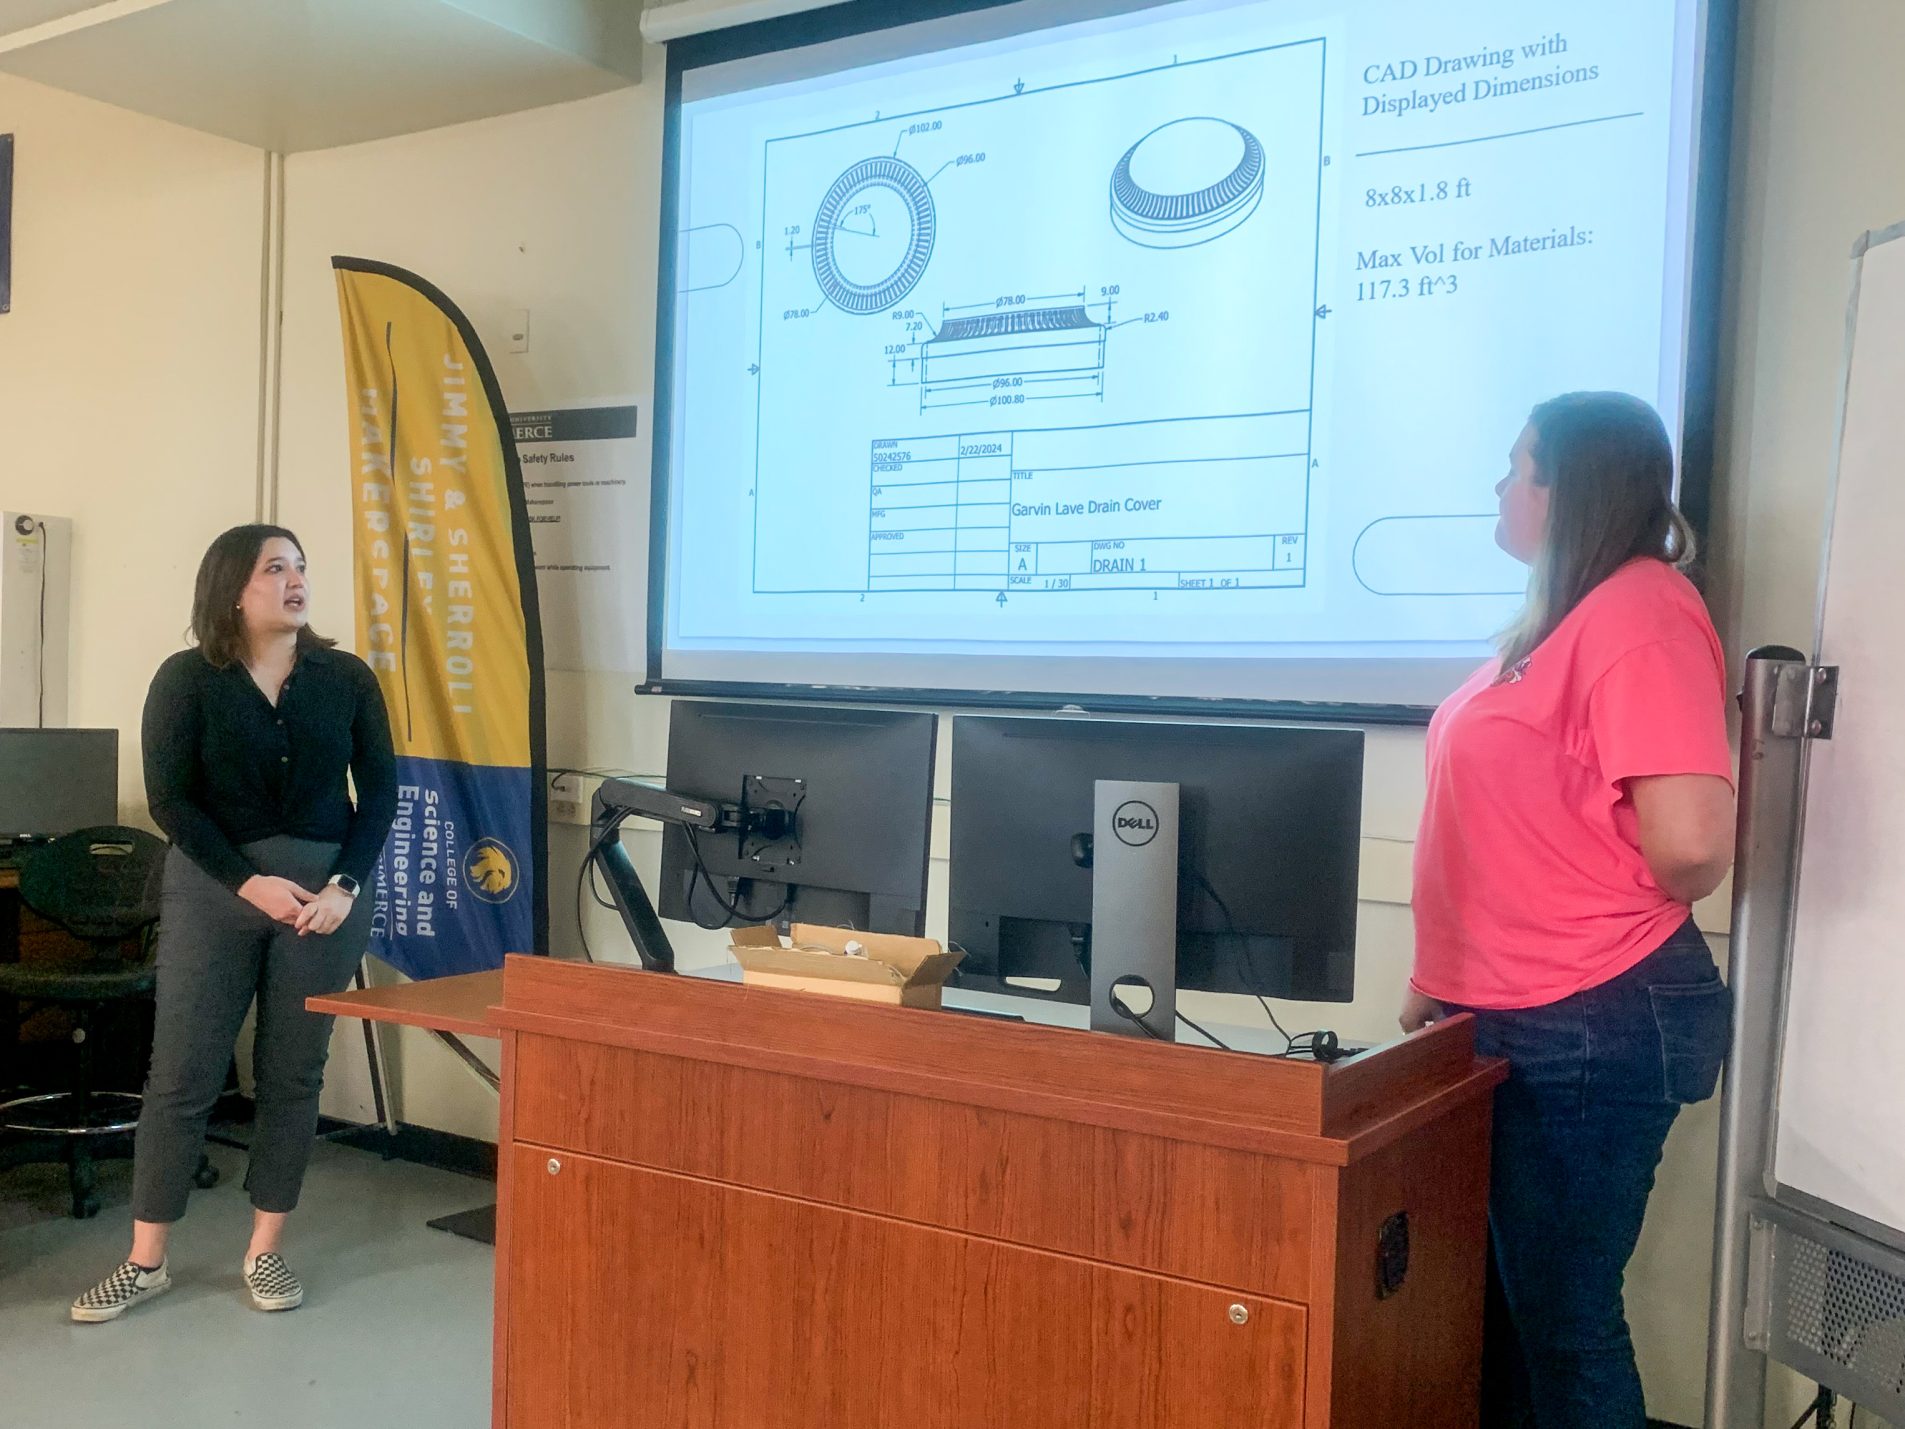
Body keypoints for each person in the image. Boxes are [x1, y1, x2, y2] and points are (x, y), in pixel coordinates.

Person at [1402, 392, 1735, 1427]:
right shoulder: (1559, 619)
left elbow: (1690, 842)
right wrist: (1437, 977)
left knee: (1565, 1318)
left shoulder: (1639, 608)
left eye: (1519, 465)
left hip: (1594, 1010)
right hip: (1517, 1009)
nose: (1500, 485)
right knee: (1512, 1312)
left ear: (1573, 486)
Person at [71, 525, 396, 1322]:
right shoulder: (187, 677)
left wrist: (345, 887)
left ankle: (265, 1250)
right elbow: (170, 799)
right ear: (232, 588)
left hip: (326, 904)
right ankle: (146, 1260)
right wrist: (250, 882)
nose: (294, 580)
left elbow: (380, 794)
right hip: (217, 889)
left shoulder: (346, 677)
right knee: (181, 1073)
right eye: (273, 567)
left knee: (292, 1075)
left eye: (300, 567)